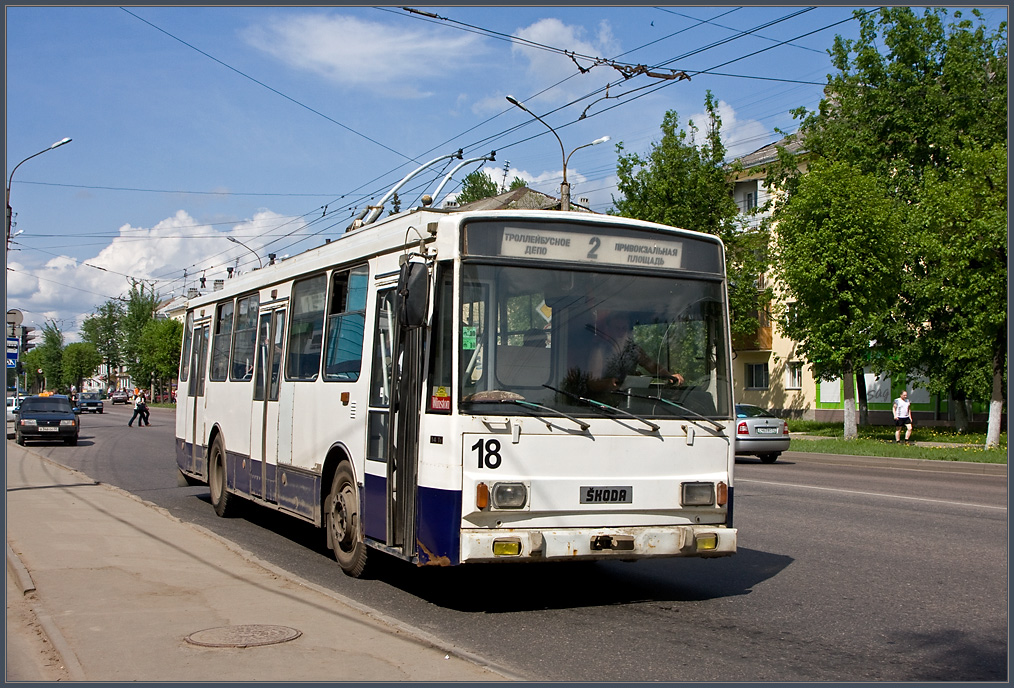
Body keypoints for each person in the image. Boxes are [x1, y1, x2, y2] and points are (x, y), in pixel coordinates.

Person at [585, 310, 683, 394]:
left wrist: (669, 376)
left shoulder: (633, 350)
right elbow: (592, 383)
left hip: (629, 398)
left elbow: (652, 366)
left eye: (624, 328)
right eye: (617, 328)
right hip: (604, 401)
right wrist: (607, 383)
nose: (621, 332)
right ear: (609, 329)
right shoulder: (600, 350)